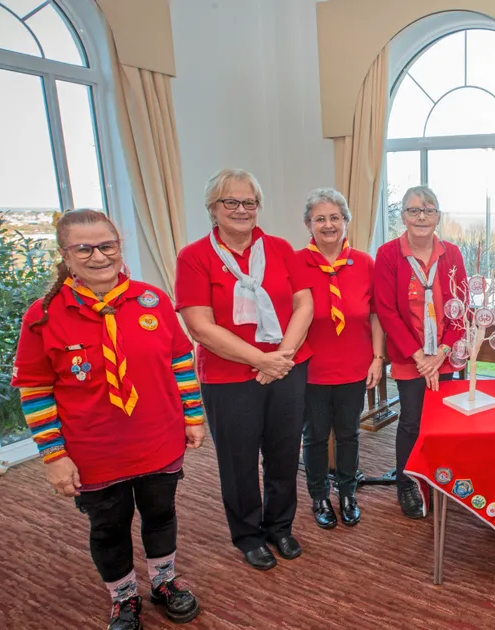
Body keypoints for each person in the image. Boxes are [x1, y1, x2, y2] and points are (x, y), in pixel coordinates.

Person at [12, 209, 203, 630]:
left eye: (106, 246)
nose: (98, 256)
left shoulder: (151, 300)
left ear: (119, 247)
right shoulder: (43, 316)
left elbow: (180, 362)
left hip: (158, 439)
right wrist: (53, 455)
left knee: (161, 515)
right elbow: (35, 391)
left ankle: (164, 583)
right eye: (84, 248)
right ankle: (123, 597)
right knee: (109, 528)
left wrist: (193, 416)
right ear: (65, 255)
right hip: (94, 450)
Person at [175, 168, 314, 571]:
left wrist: (281, 358)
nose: (241, 209)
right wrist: (261, 360)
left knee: (284, 452)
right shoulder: (194, 256)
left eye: (249, 202)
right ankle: (248, 535)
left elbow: (304, 304)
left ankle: (279, 526)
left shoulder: (281, 248)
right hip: (228, 378)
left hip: (287, 368)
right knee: (238, 462)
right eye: (230, 202)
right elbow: (200, 325)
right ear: (212, 208)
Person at [374, 185, 468, 519]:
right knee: (412, 422)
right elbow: (386, 311)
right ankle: (406, 483)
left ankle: (442, 479)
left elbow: (460, 306)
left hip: (443, 356)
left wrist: (441, 353)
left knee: (444, 422)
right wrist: (419, 357)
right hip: (408, 355)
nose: (421, 217)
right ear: (403, 217)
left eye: (428, 211)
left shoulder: (452, 254)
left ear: (438, 217)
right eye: (414, 211)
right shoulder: (388, 255)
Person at [296, 188, 384, 529]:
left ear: (346, 221)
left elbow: (375, 315)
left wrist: (377, 358)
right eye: (320, 218)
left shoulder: (364, 263)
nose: (328, 224)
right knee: (315, 436)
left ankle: (347, 492)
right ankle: (319, 495)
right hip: (311, 369)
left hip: (354, 367)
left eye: (335, 217)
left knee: (349, 434)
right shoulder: (296, 262)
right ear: (309, 224)